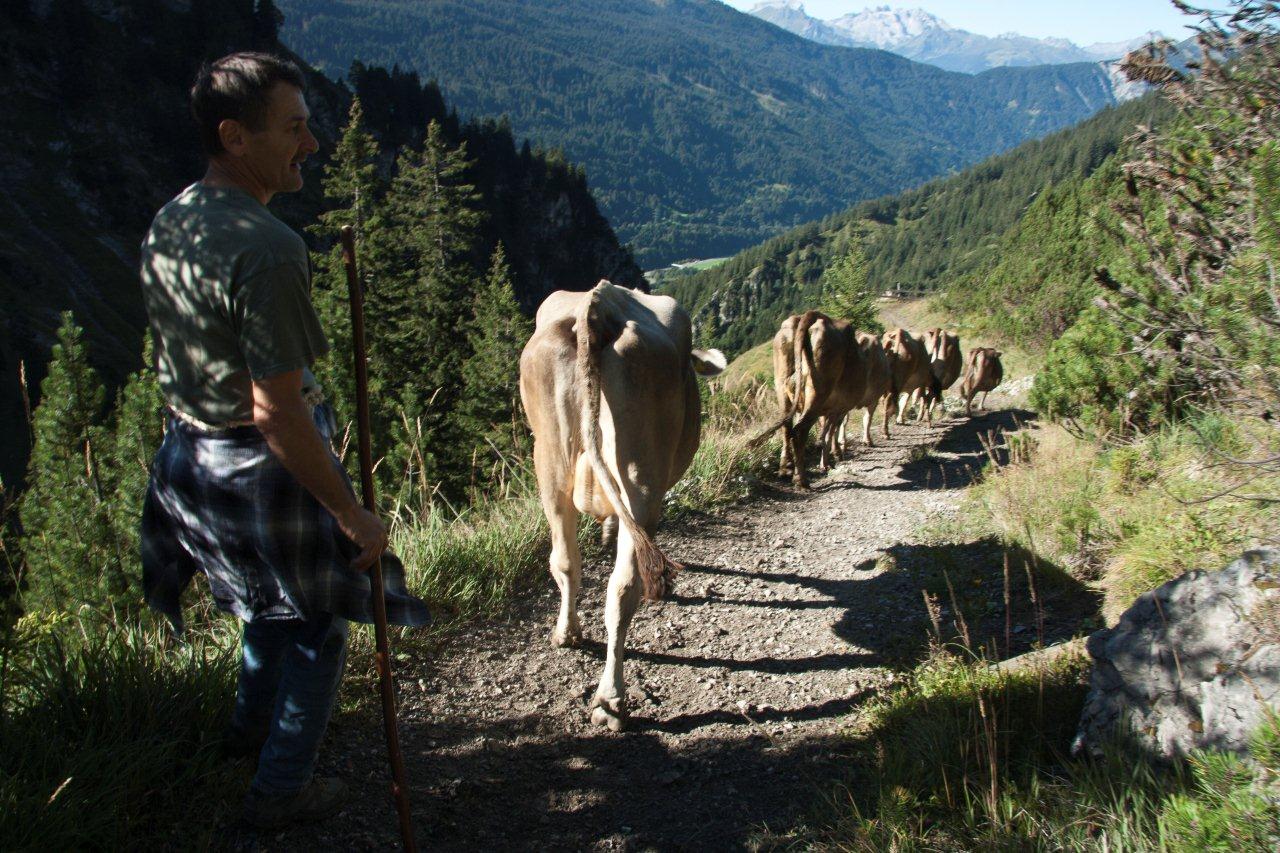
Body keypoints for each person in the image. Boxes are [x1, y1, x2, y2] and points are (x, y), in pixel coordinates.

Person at [138, 52, 429, 832]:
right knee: (318, 625)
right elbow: (279, 413)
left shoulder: (175, 217)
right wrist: (350, 513)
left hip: (188, 457)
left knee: (264, 609)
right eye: (294, 128)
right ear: (235, 136)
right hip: (257, 466)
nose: (312, 143)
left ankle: (247, 735)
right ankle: (279, 789)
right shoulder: (267, 248)